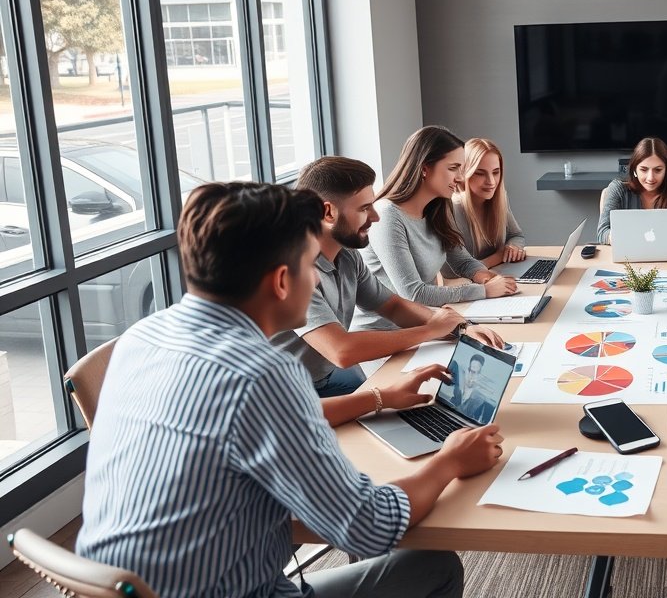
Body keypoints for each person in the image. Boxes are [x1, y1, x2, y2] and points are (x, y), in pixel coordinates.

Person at [77, 181, 506, 598]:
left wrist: (379, 398)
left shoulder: (143, 336)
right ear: (282, 281)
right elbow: (369, 526)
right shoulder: (263, 374)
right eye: (310, 265)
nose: (317, 281)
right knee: (434, 566)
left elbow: (244, 428)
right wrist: (449, 461)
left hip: (123, 584)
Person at [272, 156, 505, 397]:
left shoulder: (348, 256)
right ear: (328, 212)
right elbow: (341, 350)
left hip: (324, 375)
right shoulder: (293, 270)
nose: (375, 216)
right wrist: (429, 331)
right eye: (364, 208)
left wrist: (459, 328)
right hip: (284, 393)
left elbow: (393, 305)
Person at [358, 126, 518, 328]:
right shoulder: (387, 216)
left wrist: (485, 277)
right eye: (453, 168)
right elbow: (414, 294)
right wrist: (484, 291)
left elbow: (461, 260)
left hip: (427, 326)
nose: (460, 178)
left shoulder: (438, 206)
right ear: (424, 168)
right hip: (386, 336)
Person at [597, 136, 667, 243]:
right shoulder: (618, 190)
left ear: (666, 171)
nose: (650, 178)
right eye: (644, 170)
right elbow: (602, 233)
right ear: (635, 169)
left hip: (664, 257)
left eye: (658, 170)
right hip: (627, 256)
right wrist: (615, 236)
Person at [452, 138, 527, 269]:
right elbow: (456, 271)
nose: (491, 182)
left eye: (496, 172)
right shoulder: (451, 209)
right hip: (470, 285)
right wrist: (500, 256)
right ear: (464, 173)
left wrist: (512, 248)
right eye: (480, 173)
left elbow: (516, 236)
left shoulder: (500, 198)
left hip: (499, 273)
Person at [448, 352, 496, 424]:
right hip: (450, 411)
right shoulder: (461, 380)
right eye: (470, 370)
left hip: (464, 421)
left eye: (475, 372)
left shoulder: (479, 396)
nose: (471, 375)